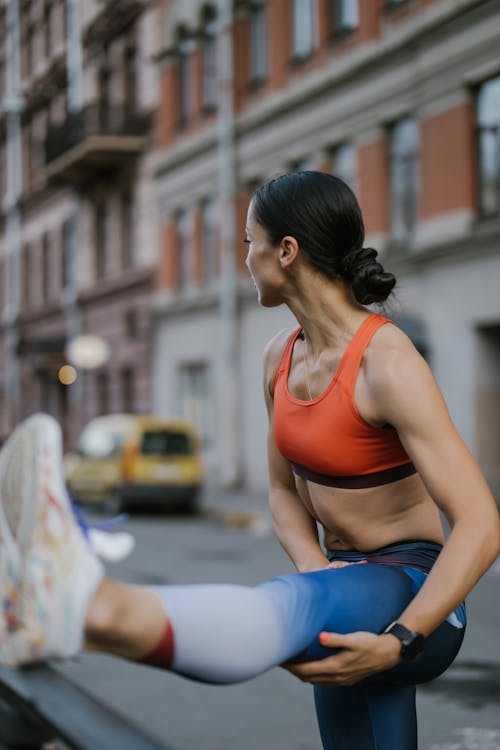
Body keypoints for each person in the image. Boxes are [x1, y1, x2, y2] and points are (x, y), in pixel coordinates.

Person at [1, 171, 499, 750]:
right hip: (338, 582)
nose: (244, 258)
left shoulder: (387, 363)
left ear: (285, 251)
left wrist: (401, 640)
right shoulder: (278, 359)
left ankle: (91, 608)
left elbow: (482, 523)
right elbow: (284, 492)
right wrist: (316, 564)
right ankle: (68, 607)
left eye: (248, 242)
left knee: (290, 609)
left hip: (417, 593)